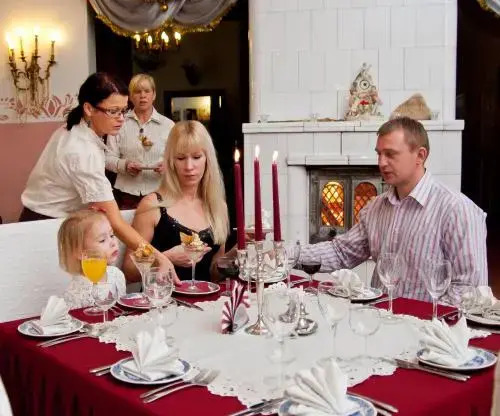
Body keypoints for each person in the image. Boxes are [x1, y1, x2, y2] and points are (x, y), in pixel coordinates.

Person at [301, 117, 487, 301]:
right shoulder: (375, 207)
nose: (381, 163)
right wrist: (290, 255)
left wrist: (427, 317)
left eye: (390, 154)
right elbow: (341, 252)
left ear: (420, 156)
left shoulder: (457, 210)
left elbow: (469, 289)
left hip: (428, 320)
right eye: (379, 154)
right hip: (376, 315)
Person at [20, 72, 178, 281]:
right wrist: (159, 258)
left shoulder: (77, 128)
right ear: (89, 109)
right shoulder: (81, 150)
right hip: (44, 225)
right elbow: (115, 222)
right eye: (113, 111)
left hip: (50, 220)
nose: (121, 119)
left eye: (123, 110)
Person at [123, 120, 229, 283]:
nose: (189, 166)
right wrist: (165, 258)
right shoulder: (152, 205)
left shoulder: (218, 206)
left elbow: (215, 275)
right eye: (180, 158)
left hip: (204, 298)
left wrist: (236, 252)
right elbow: (129, 271)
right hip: (162, 297)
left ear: (208, 159)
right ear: (171, 161)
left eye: (196, 157)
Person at [105, 74, 174, 209]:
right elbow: (107, 158)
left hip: (160, 193)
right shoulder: (118, 123)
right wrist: (124, 165)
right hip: (126, 194)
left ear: (154, 95)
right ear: (130, 97)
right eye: (137, 91)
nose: (142, 96)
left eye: (147, 91)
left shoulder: (168, 125)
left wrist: (168, 166)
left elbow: (178, 158)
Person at [57, 209, 126, 309]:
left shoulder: (117, 274)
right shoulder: (77, 291)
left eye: (112, 235)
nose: (113, 243)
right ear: (80, 252)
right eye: (102, 240)